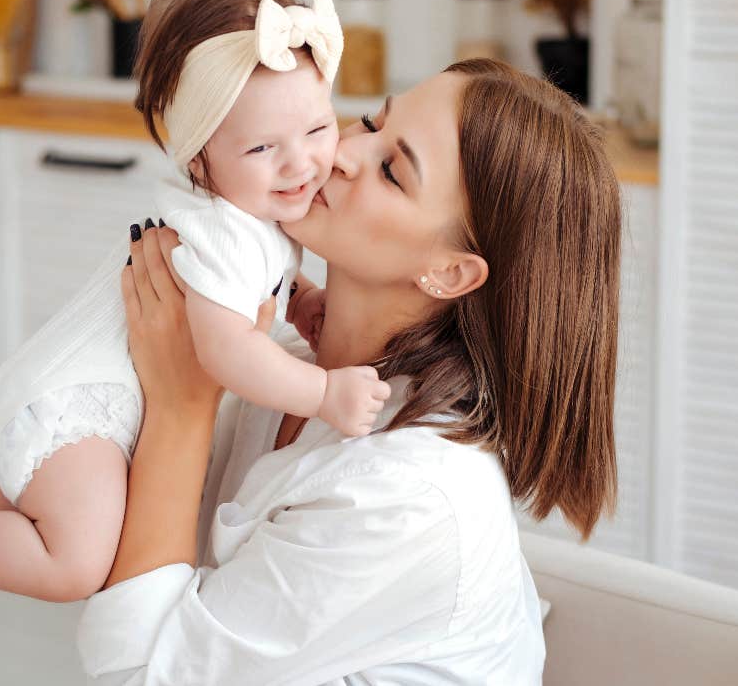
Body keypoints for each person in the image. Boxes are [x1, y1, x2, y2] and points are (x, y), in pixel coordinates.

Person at [0, 0, 389, 685]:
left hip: (51, 387)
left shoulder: (249, 212)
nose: (302, 162)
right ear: (201, 159)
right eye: (264, 147)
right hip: (80, 416)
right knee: (74, 562)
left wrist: (298, 299)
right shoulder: (228, 232)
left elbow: (261, 273)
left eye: (319, 127)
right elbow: (226, 348)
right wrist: (322, 393)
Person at [76, 53, 621, 683]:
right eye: (369, 121)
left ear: (449, 271)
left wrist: (181, 406)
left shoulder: (408, 494)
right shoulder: (280, 365)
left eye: (391, 170)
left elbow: (136, 675)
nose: (340, 152)